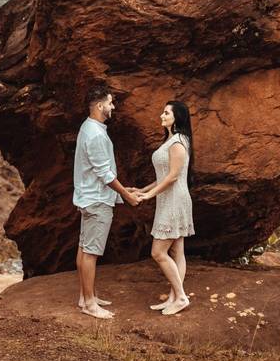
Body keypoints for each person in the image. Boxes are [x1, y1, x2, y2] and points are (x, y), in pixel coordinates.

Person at [74, 84, 141, 319]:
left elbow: (102, 171)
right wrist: (125, 194)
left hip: (90, 197)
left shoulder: (90, 128)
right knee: (91, 252)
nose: (113, 107)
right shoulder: (94, 133)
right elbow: (105, 173)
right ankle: (90, 304)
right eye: (111, 103)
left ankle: (85, 296)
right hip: (97, 201)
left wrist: (122, 190)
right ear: (100, 105)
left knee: (84, 247)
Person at [134, 100, 195, 315]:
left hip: (175, 200)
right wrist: (141, 190)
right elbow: (162, 176)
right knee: (177, 250)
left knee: (158, 252)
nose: (162, 115)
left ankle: (180, 297)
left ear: (177, 117)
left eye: (166, 112)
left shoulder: (178, 142)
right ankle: (174, 297)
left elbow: (173, 177)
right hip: (167, 199)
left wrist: (149, 196)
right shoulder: (170, 140)